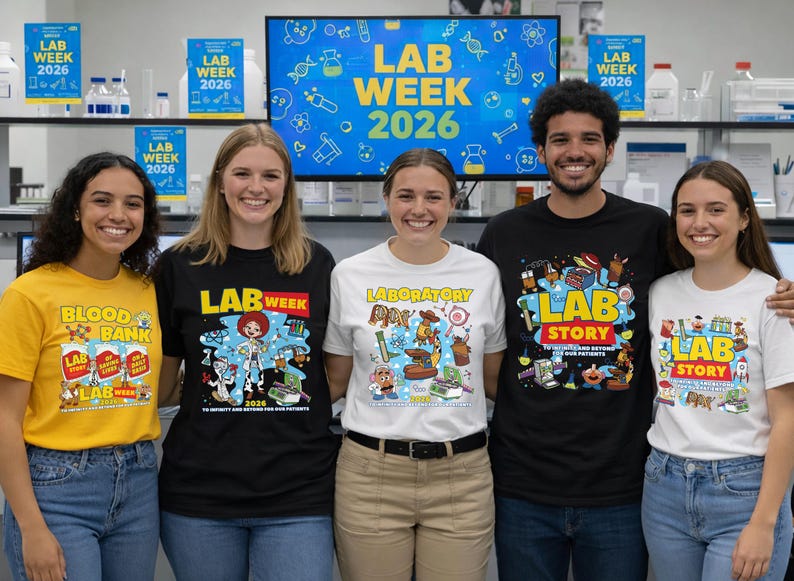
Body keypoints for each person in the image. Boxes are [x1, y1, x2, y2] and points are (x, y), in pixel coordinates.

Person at [475, 78, 794, 581]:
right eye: (560, 140)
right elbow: (487, 351)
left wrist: (784, 295)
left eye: (589, 139)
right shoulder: (502, 233)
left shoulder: (651, 229)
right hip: (522, 483)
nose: (574, 151)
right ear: (540, 150)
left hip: (625, 486)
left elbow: (716, 283)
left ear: (610, 149)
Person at [154, 123, 338, 581]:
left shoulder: (317, 264)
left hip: (299, 492)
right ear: (220, 182)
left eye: (271, 176)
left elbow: (333, 376)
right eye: (242, 173)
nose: (256, 188)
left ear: (287, 187)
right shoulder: (179, 265)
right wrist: (213, 385)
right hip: (200, 494)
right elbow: (162, 383)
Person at [324, 148, 506, 581]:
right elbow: (336, 379)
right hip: (371, 475)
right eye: (406, 196)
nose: (419, 209)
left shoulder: (482, 273)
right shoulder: (350, 275)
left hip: (462, 477)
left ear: (453, 202)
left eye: (434, 197)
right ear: (387, 199)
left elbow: (493, 379)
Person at [0, 152, 163, 581]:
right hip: (57, 487)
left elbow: (154, 388)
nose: (118, 215)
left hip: (140, 481)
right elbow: (4, 417)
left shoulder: (149, 291)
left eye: (133, 203)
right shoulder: (30, 294)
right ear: (75, 208)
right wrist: (30, 527)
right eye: (102, 200)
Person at [643, 160, 794, 581]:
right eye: (687, 210)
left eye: (716, 209)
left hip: (743, 490)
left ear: (745, 218)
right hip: (664, 486)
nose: (699, 222)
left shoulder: (773, 301)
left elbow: (787, 421)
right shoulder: (660, 293)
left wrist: (765, 523)